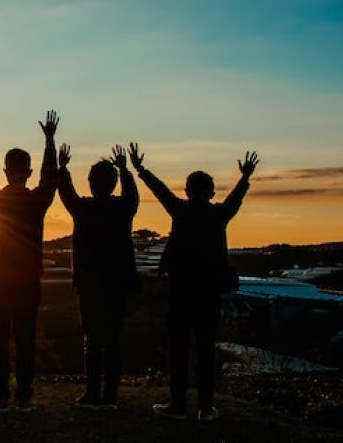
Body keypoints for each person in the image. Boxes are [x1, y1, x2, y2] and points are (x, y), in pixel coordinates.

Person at [131, 144, 259, 422]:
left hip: (180, 289)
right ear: (211, 192)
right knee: (206, 348)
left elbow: (160, 190)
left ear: (187, 190)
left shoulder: (180, 210)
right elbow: (235, 199)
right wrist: (244, 177)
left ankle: (177, 404)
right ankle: (206, 406)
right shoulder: (218, 215)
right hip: (209, 291)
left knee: (178, 348)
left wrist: (141, 169)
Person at [0, 109, 58, 413]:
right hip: (28, 280)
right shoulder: (36, 201)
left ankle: (2, 396)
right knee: (25, 339)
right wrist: (49, 141)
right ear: (28, 171)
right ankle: (25, 397)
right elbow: (51, 178)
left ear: (6, 171)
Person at [57, 143, 140, 411]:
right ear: (113, 183)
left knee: (91, 340)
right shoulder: (123, 208)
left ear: (91, 183)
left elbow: (66, 193)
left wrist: (63, 168)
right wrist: (125, 170)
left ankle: (92, 394)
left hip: (89, 284)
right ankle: (110, 396)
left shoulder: (83, 209)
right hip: (117, 282)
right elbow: (133, 195)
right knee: (114, 339)